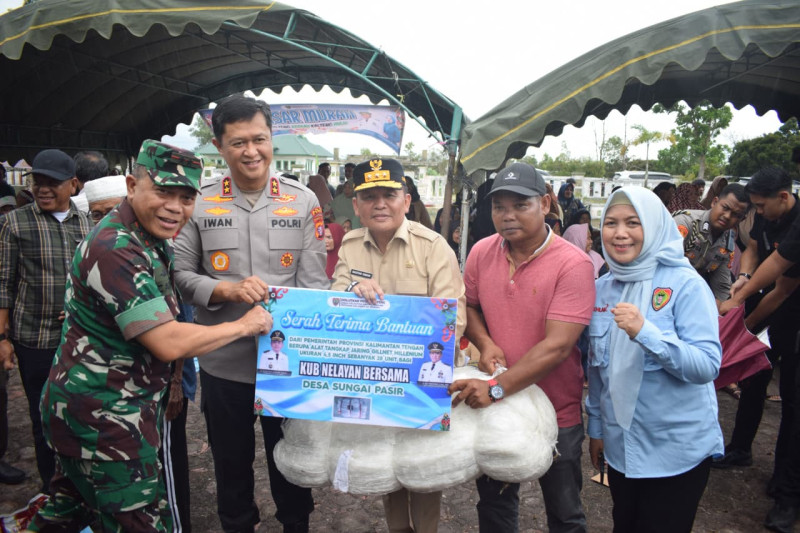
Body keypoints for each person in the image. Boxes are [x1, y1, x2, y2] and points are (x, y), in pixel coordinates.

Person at [28, 139, 272, 532]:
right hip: (104, 422)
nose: (175, 207)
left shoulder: (148, 239)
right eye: (162, 191)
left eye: (186, 197)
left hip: (98, 414)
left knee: (62, 518)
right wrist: (245, 325)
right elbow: (167, 341)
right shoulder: (116, 248)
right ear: (131, 185)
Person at [174, 94, 327, 533]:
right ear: (220, 147)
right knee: (230, 463)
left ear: (271, 139)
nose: (251, 151)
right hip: (224, 363)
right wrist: (224, 288)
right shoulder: (199, 202)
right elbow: (181, 273)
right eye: (238, 142)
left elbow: (315, 285)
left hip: (287, 365)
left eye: (259, 139)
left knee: (293, 461)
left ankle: (296, 524)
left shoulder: (303, 202)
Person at [449, 162, 595, 533]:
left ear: (545, 203)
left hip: (554, 409)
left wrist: (496, 388)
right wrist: (485, 342)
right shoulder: (483, 251)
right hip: (496, 407)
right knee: (496, 507)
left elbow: (558, 347)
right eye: (499, 207)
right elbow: (471, 305)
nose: (507, 215)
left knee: (564, 511)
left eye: (520, 204)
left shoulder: (572, 264)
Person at [331, 157, 465, 533]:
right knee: (388, 468)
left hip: (422, 383)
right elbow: (334, 300)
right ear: (356, 206)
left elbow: (454, 317)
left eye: (389, 194)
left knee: (422, 471)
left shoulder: (433, 246)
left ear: (406, 200)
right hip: (374, 380)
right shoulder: (351, 247)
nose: (380, 204)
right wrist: (350, 291)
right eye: (369, 196)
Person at [585, 187, 723, 533]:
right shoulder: (602, 288)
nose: (620, 233)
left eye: (633, 222)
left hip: (675, 453)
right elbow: (597, 372)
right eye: (611, 222)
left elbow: (707, 365)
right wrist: (597, 429)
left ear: (655, 225)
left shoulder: (685, 284)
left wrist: (646, 332)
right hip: (621, 450)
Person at [0, 148, 92, 492]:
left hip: (82, 339)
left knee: (82, 415)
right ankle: (53, 492)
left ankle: (82, 489)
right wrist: (2, 339)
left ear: (73, 185)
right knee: (44, 419)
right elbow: (2, 283)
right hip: (34, 339)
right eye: (38, 181)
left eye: (52, 183)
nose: (43, 189)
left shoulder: (88, 224)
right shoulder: (14, 222)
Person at [672, 183, 750, 305]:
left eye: (736, 215)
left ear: (742, 219)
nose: (727, 216)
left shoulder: (727, 242)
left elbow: (721, 287)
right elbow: (660, 266)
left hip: (690, 294)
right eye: (725, 208)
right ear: (714, 202)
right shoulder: (686, 223)